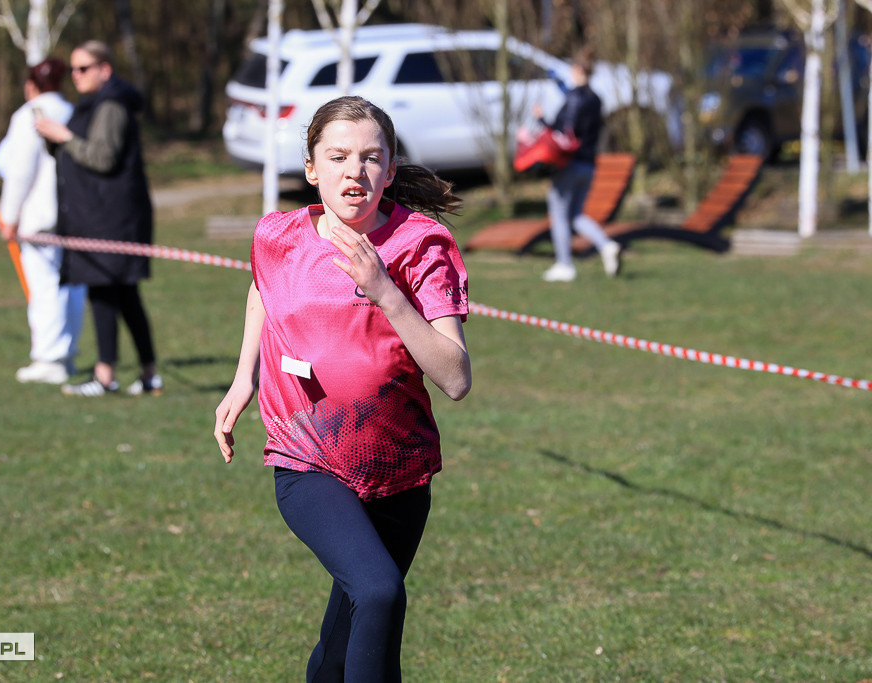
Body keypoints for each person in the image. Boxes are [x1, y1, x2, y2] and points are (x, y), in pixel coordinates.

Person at [214, 95, 472, 682]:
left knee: (346, 638)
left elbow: (455, 377)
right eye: (338, 157)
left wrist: (385, 291)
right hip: (306, 457)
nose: (354, 171)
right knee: (379, 592)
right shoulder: (277, 235)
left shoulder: (421, 245)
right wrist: (243, 377)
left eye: (370, 157)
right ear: (311, 168)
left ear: (389, 166)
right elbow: (263, 289)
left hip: (398, 466)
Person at [35, 40, 161, 397]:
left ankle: (112, 375)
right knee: (110, 292)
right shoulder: (92, 103)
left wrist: (63, 136)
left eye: (83, 68)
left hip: (112, 218)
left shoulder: (112, 104)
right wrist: (53, 139)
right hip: (96, 215)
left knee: (112, 291)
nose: (75, 75)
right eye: (72, 69)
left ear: (104, 69)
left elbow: (102, 158)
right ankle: (140, 374)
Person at [0, 57, 86, 385]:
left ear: (30, 85)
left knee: (45, 287)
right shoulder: (72, 110)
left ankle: (49, 358)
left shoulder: (29, 115)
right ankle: (67, 354)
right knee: (72, 287)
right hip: (73, 216)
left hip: (40, 216)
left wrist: (10, 215)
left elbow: (19, 170)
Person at [534, 46, 622, 282]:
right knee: (576, 216)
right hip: (589, 165)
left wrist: (541, 120)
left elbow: (564, 133)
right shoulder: (596, 99)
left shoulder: (574, 98)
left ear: (577, 69)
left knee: (559, 215)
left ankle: (565, 265)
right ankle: (606, 245)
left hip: (569, 165)